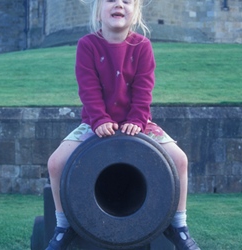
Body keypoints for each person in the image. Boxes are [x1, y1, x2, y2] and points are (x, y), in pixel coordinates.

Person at [46, 0, 200, 250]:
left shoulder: (142, 46)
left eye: (127, 1)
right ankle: (64, 225)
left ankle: (178, 225)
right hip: (95, 122)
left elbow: (143, 88)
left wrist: (137, 120)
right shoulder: (87, 45)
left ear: (135, 11)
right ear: (98, 9)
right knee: (55, 163)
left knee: (180, 160)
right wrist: (99, 119)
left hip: (138, 123)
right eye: (111, 0)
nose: (119, 4)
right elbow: (88, 88)